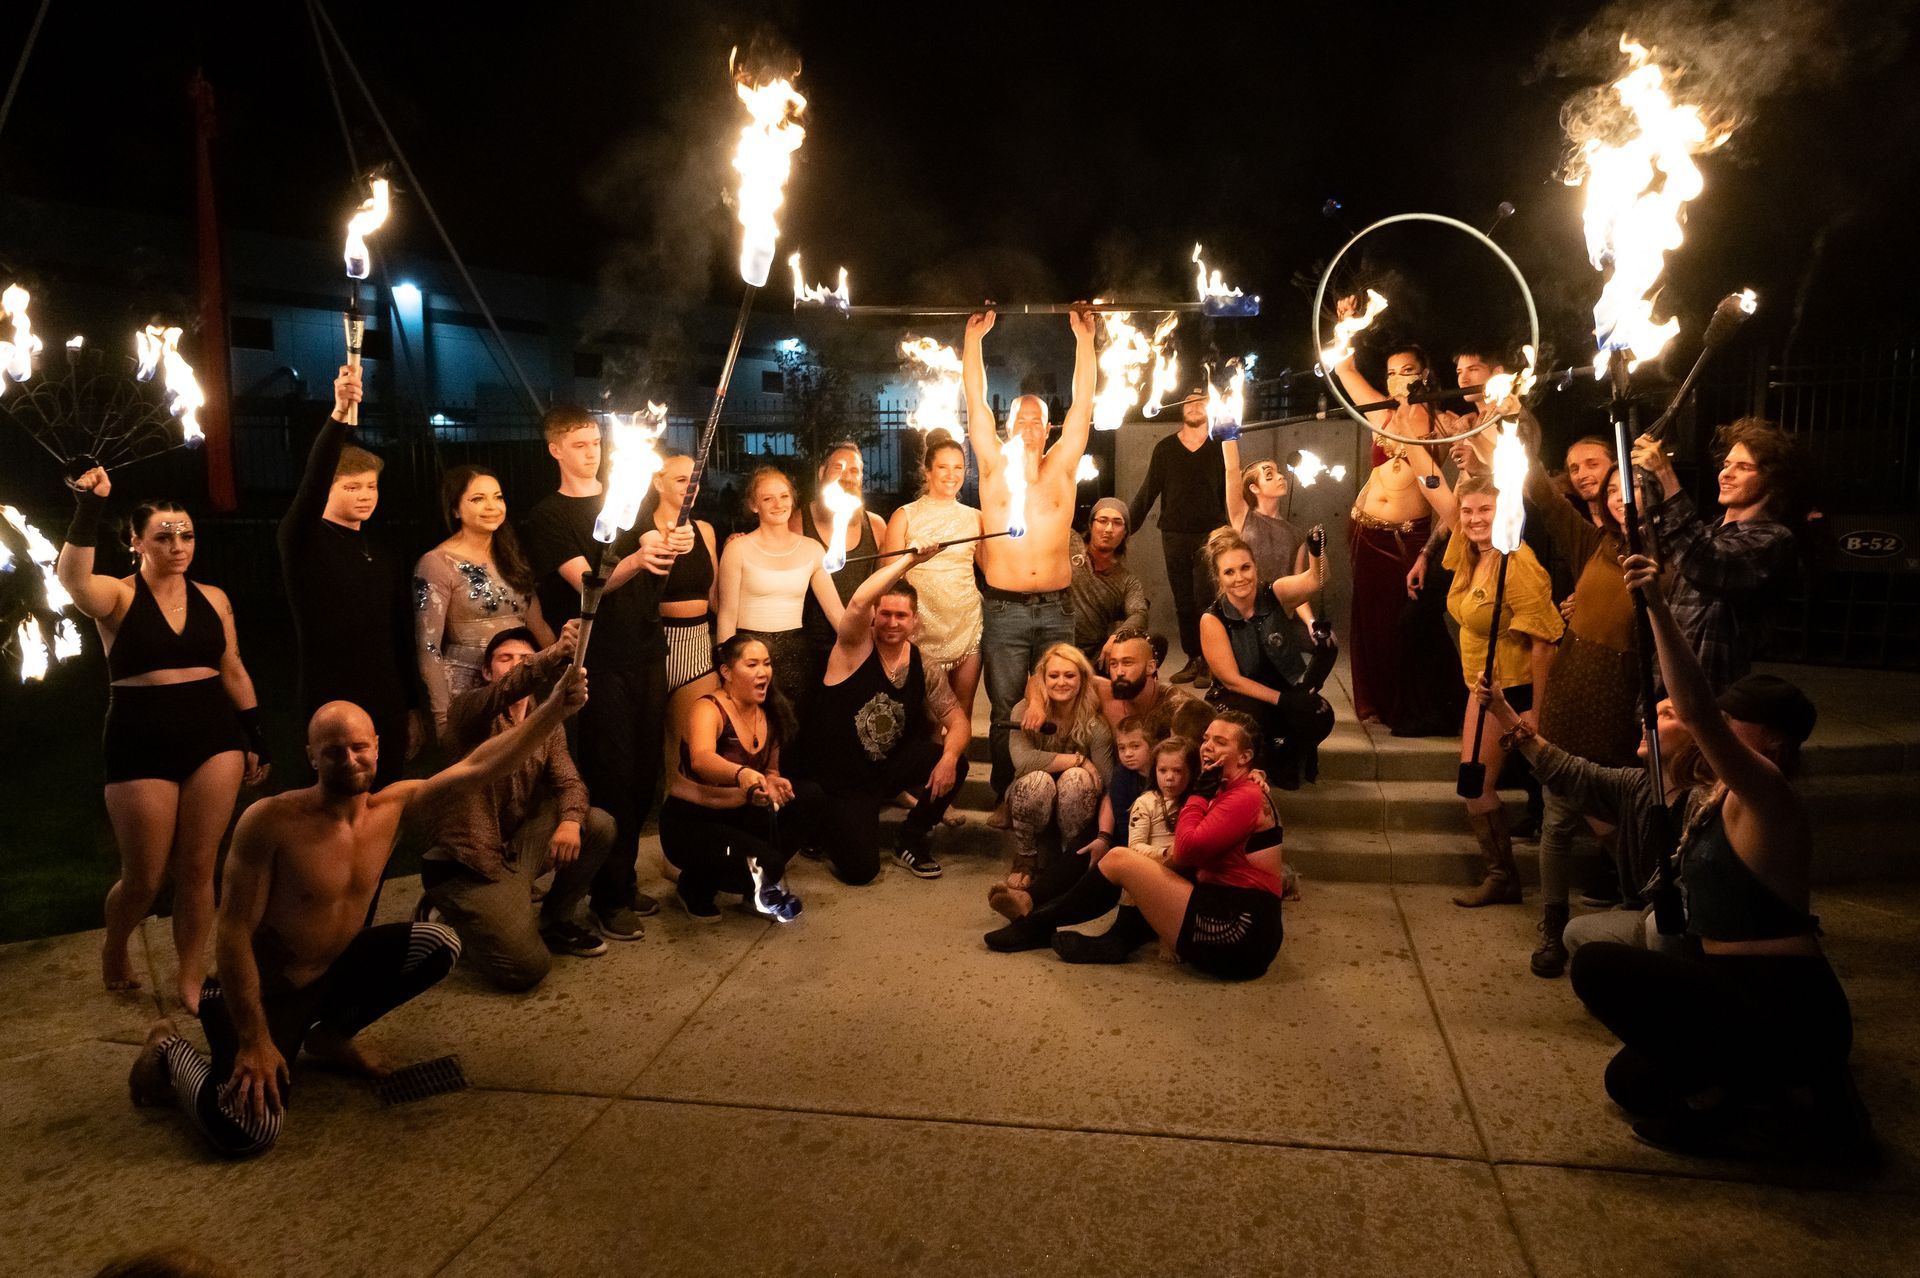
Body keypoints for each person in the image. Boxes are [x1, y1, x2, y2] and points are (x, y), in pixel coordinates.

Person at [126, 666, 588, 1158]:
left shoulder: (393, 807)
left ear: (377, 747)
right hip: (263, 991)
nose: (348, 759)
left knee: (439, 944)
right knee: (247, 1131)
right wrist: (254, 1039)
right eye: (332, 751)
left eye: (358, 747)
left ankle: (331, 1036)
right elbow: (233, 933)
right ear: (311, 757)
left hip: (329, 974)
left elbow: (481, 767)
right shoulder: (270, 822)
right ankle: (169, 1051)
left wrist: (554, 706)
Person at [1567, 552, 1868, 1161]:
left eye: (1736, 723)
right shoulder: (1720, 793)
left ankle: (1770, 1099)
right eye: (1724, 718)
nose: (1721, 729)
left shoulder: (1770, 799)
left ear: (1774, 741)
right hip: (1728, 985)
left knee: (1598, 965)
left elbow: (1697, 710)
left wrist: (1656, 609)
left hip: (1783, 999)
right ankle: (1772, 1092)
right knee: (1628, 1083)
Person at [57, 471, 271, 1013]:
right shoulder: (116, 595)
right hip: (139, 737)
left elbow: (234, 668)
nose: (178, 547)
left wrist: (256, 736)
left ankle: (191, 976)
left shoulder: (214, 598)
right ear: (135, 541)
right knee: (145, 876)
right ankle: (115, 944)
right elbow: (72, 580)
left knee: (200, 867)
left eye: (187, 536)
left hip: (212, 735)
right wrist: (89, 506)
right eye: (164, 536)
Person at [520, 404, 678, 942]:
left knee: (641, 778)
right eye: (581, 443)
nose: (593, 452)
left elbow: (652, 573)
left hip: (645, 652)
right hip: (599, 661)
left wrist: (668, 549)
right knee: (609, 775)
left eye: (595, 442)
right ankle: (607, 898)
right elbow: (587, 583)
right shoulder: (548, 516)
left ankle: (623, 877)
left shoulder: (628, 498)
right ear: (555, 449)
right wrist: (638, 558)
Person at [996, 712, 1285, 978]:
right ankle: (1059, 927)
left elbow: (1187, 850)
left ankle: (1036, 925)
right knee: (1134, 860)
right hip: (1219, 910)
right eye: (1207, 738)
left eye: (1220, 742)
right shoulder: (1226, 784)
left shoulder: (1245, 796)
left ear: (1245, 756)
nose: (1207, 746)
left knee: (1122, 859)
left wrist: (1198, 794)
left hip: (1238, 933)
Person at [419, 624, 614, 989]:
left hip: (512, 851)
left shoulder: (546, 722)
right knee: (528, 968)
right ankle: (447, 911)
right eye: (505, 659)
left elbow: (569, 782)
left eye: (524, 658)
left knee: (597, 824)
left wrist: (571, 821)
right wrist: (554, 653)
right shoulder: (469, 712)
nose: (516, 666)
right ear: (487, 671)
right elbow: (510, 688)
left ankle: (555, 921)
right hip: (467, 865)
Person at [1474, 678, 1709, 974]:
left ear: (1697, 736)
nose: (1648, 719)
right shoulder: (1637, 786)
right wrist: (1503, 711)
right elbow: (1568, 771)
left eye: (1667, 715)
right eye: (1653, 711)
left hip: (1699, 928)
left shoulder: (1705, 799)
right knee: (1578, 934)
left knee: (1661, 922)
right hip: (1649, 914)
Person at [964, 306, 1097, 819]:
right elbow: (974, 402)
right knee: (1004, 710)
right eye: (1019, 421)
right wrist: (972, 342)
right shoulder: (994, 466)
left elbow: (1084, 404)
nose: (1027, 429)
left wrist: (1084, 340)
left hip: (1058, 609)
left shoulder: (1062, 468)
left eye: (1036, 421)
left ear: (1047, 428)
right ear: (1007, 426)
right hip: (1005, 610)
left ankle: (1055, 786)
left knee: (1061, 703)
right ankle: (1006, 796)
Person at [1520, 451, 1645, 970]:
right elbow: (1546, 500)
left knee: (1615, 817)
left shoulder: (1668, 560)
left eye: (1631, 488)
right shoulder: (1595, 545)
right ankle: (1553, 926)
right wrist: (1518, 425)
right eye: (1613, 489)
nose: (1619, 496)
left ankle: (1647, 906)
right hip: (1572, 698)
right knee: (1557, 819)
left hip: (1619, 705)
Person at [276, 364, 422, 788]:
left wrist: (410, 706)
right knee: (335, 805)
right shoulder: (302, 541)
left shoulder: (382, 554)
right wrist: (338, 415)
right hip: (331, 696)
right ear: (327, 490)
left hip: (388, 700)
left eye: (371, 487)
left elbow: (399, 634)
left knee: (385, 804)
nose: (365, 496)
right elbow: (312, 479)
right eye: (351, 487)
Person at [794, 543, 972, 883]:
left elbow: (957, 719)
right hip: (841, 781)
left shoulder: (923, 664)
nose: (892, 622)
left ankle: (911, 837)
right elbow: (860, 601)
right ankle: (824, 824)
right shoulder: (853, 647)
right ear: (874, 616)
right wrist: (910, 560)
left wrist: (948, 758)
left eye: (901, 615)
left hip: (885, 770)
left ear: (915, 621)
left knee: (956, 761)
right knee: (861, 872)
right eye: (885, 614)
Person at [1329, 311, 1460, 734]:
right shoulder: (1381, 416)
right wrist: (1347, 324)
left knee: (1407, 624)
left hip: (1412, 537)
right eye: (1391, 373)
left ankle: (1425, 705)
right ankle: (1381, 703)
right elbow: (1343, 367)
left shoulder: (1444, 423)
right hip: (1367, 532)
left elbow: (1448, 487)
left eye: (1408, 371)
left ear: (1424, 375)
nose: (1398, 379)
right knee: (1372, 621)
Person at [1444, 474, 1564, 907]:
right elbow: (1441, 499)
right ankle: (1502, 878)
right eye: (1468, 510)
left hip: (1514, 689)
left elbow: (1544, 640)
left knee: (1567, 795)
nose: (1475, 519)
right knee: (1473, 783)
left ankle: (1636, 878)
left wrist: (1536, 711)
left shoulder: (1518, 562)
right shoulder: (1470, 554)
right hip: (1482, 688)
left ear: (1507, 512)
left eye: (1486, 510)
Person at [1632, 418, 1803, 693]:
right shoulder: (1709, 532)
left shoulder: (1774, 539)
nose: (1726, 474)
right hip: (1663, 687)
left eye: (1743, 467)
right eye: (1726, 465)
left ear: (1772, 479)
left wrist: (1667, 478)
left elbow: (1710, 563)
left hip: (1710, 696)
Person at [659, 634, 822, 922]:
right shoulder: (708, 708)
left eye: (767, 664)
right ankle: (694, 886)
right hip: (692, 822)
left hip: (738, 814)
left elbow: (770, 770)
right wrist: (741, 773)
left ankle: (755, 888)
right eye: (752, 664)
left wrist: (772, 783)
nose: (763, 672)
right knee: (769, 863)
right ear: (727, 672)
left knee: (811, 797)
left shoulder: (769, 713)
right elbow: (701, 758)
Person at [1197, 528, 1336, 788]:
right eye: (1229, 572)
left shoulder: (1275, 592)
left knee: (1321, 714)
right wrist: (1284, 700)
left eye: (1245, 567)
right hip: (1239, 696)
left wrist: (1317, 552)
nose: (1239, 578)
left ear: (1255, 567)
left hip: (1281, 688)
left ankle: (1289, 756)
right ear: (1218, 578)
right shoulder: (1212, 619)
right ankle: (1263, 762)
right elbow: (1232, 681)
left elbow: (1315, 581)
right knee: (1253, 717)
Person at [992, 644, 1115, 914]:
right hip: (1030, 797)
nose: (1061, 682)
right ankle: (1026, 857)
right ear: (1043, 679)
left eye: (1069, 676)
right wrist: (1079, 759)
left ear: (1082, 678)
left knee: (1076, 779)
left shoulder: (1095, 722)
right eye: (1054, 675)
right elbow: (1023, 762)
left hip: (1077, 807)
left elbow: (1106, 780)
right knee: (1039, 780)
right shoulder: (1024, 711)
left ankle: (1069, 859)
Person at [715, 465, 844, 712]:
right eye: (768, 498)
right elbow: (727, 614)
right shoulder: (737, 549)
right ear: (754, 505)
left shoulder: (812, 549)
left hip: (796, 655)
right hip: (748, 654)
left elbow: (836, 614)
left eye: (784, 496)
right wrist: (728, 668)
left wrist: (864, 644)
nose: (778, 504)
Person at [414, 464, 533, 729]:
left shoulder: (511, 556)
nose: (492, 506)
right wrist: (443, 717)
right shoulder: (436, 562)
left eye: (498, 497)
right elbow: (428, 646)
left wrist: (563, 668)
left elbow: (537, 624)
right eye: (478, 499)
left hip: (518, 683)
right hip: (468, 687)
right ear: (455, 510)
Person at [883, 429, 985, 720]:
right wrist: (910, 560)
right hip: (921, 630)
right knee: (925, 717)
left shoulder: (975, 517)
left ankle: (957, 766)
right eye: (943, 467)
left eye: (958, 468)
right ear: (927, 471)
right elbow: (887, 580)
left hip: (967, 625)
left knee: (960, 714)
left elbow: (991, 570)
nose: (951, 475)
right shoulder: (904, 515)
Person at [1127, 389, 1224, 684]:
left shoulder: (1220, 446)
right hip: (1174, 535)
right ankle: (1194, 659)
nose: (1194, 406)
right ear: (1180, 408)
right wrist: (1124, 529)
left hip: (1211, 535)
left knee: (1205, 598)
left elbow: (1231, 491)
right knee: (1183, 601)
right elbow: (1148, 492)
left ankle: (1211, 662)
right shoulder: (1166, 449)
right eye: (1189, 402)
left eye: (1201, 401)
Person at [795, 441, 887, 684]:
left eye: (854, 471)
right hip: (811, 646)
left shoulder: (875, 525)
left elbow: (885, 586)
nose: (847, 476)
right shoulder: (798, 521)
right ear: (822, 472)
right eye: (839, 467)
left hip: (862, 642)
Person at [645, 451, 722, 699]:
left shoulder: (705, 531)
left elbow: (715, 598)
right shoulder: (642, 532)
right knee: (655, 735)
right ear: (658, 483)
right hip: (655, 643)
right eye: (681, 480)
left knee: (690, 733)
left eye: (695, 479)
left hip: (698, 644)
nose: (691, 487)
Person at [1219, 437, 1316, 632]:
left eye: (1279, 472)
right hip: (1243, 613)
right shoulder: (1243, 517)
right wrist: (1227, 432)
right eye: (1269, 475)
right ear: (1254, 488)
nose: (1280, 477)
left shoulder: (1296, 535)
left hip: (1277, 617)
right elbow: (1231, 469)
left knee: (1325, 646)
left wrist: (1311, 623)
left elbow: (1299, 589)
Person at [1067, 497, 1150, 670]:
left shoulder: (1127, 580)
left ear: (1125, 532)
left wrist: (1118, 636)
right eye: (1102, 521)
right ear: (1091, 525)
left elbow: (1139, 613)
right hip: (1061, 648)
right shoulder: (1071, 545)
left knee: (1153, 643)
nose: (1109, 529)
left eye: (1117, 523)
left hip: (1098, 655)